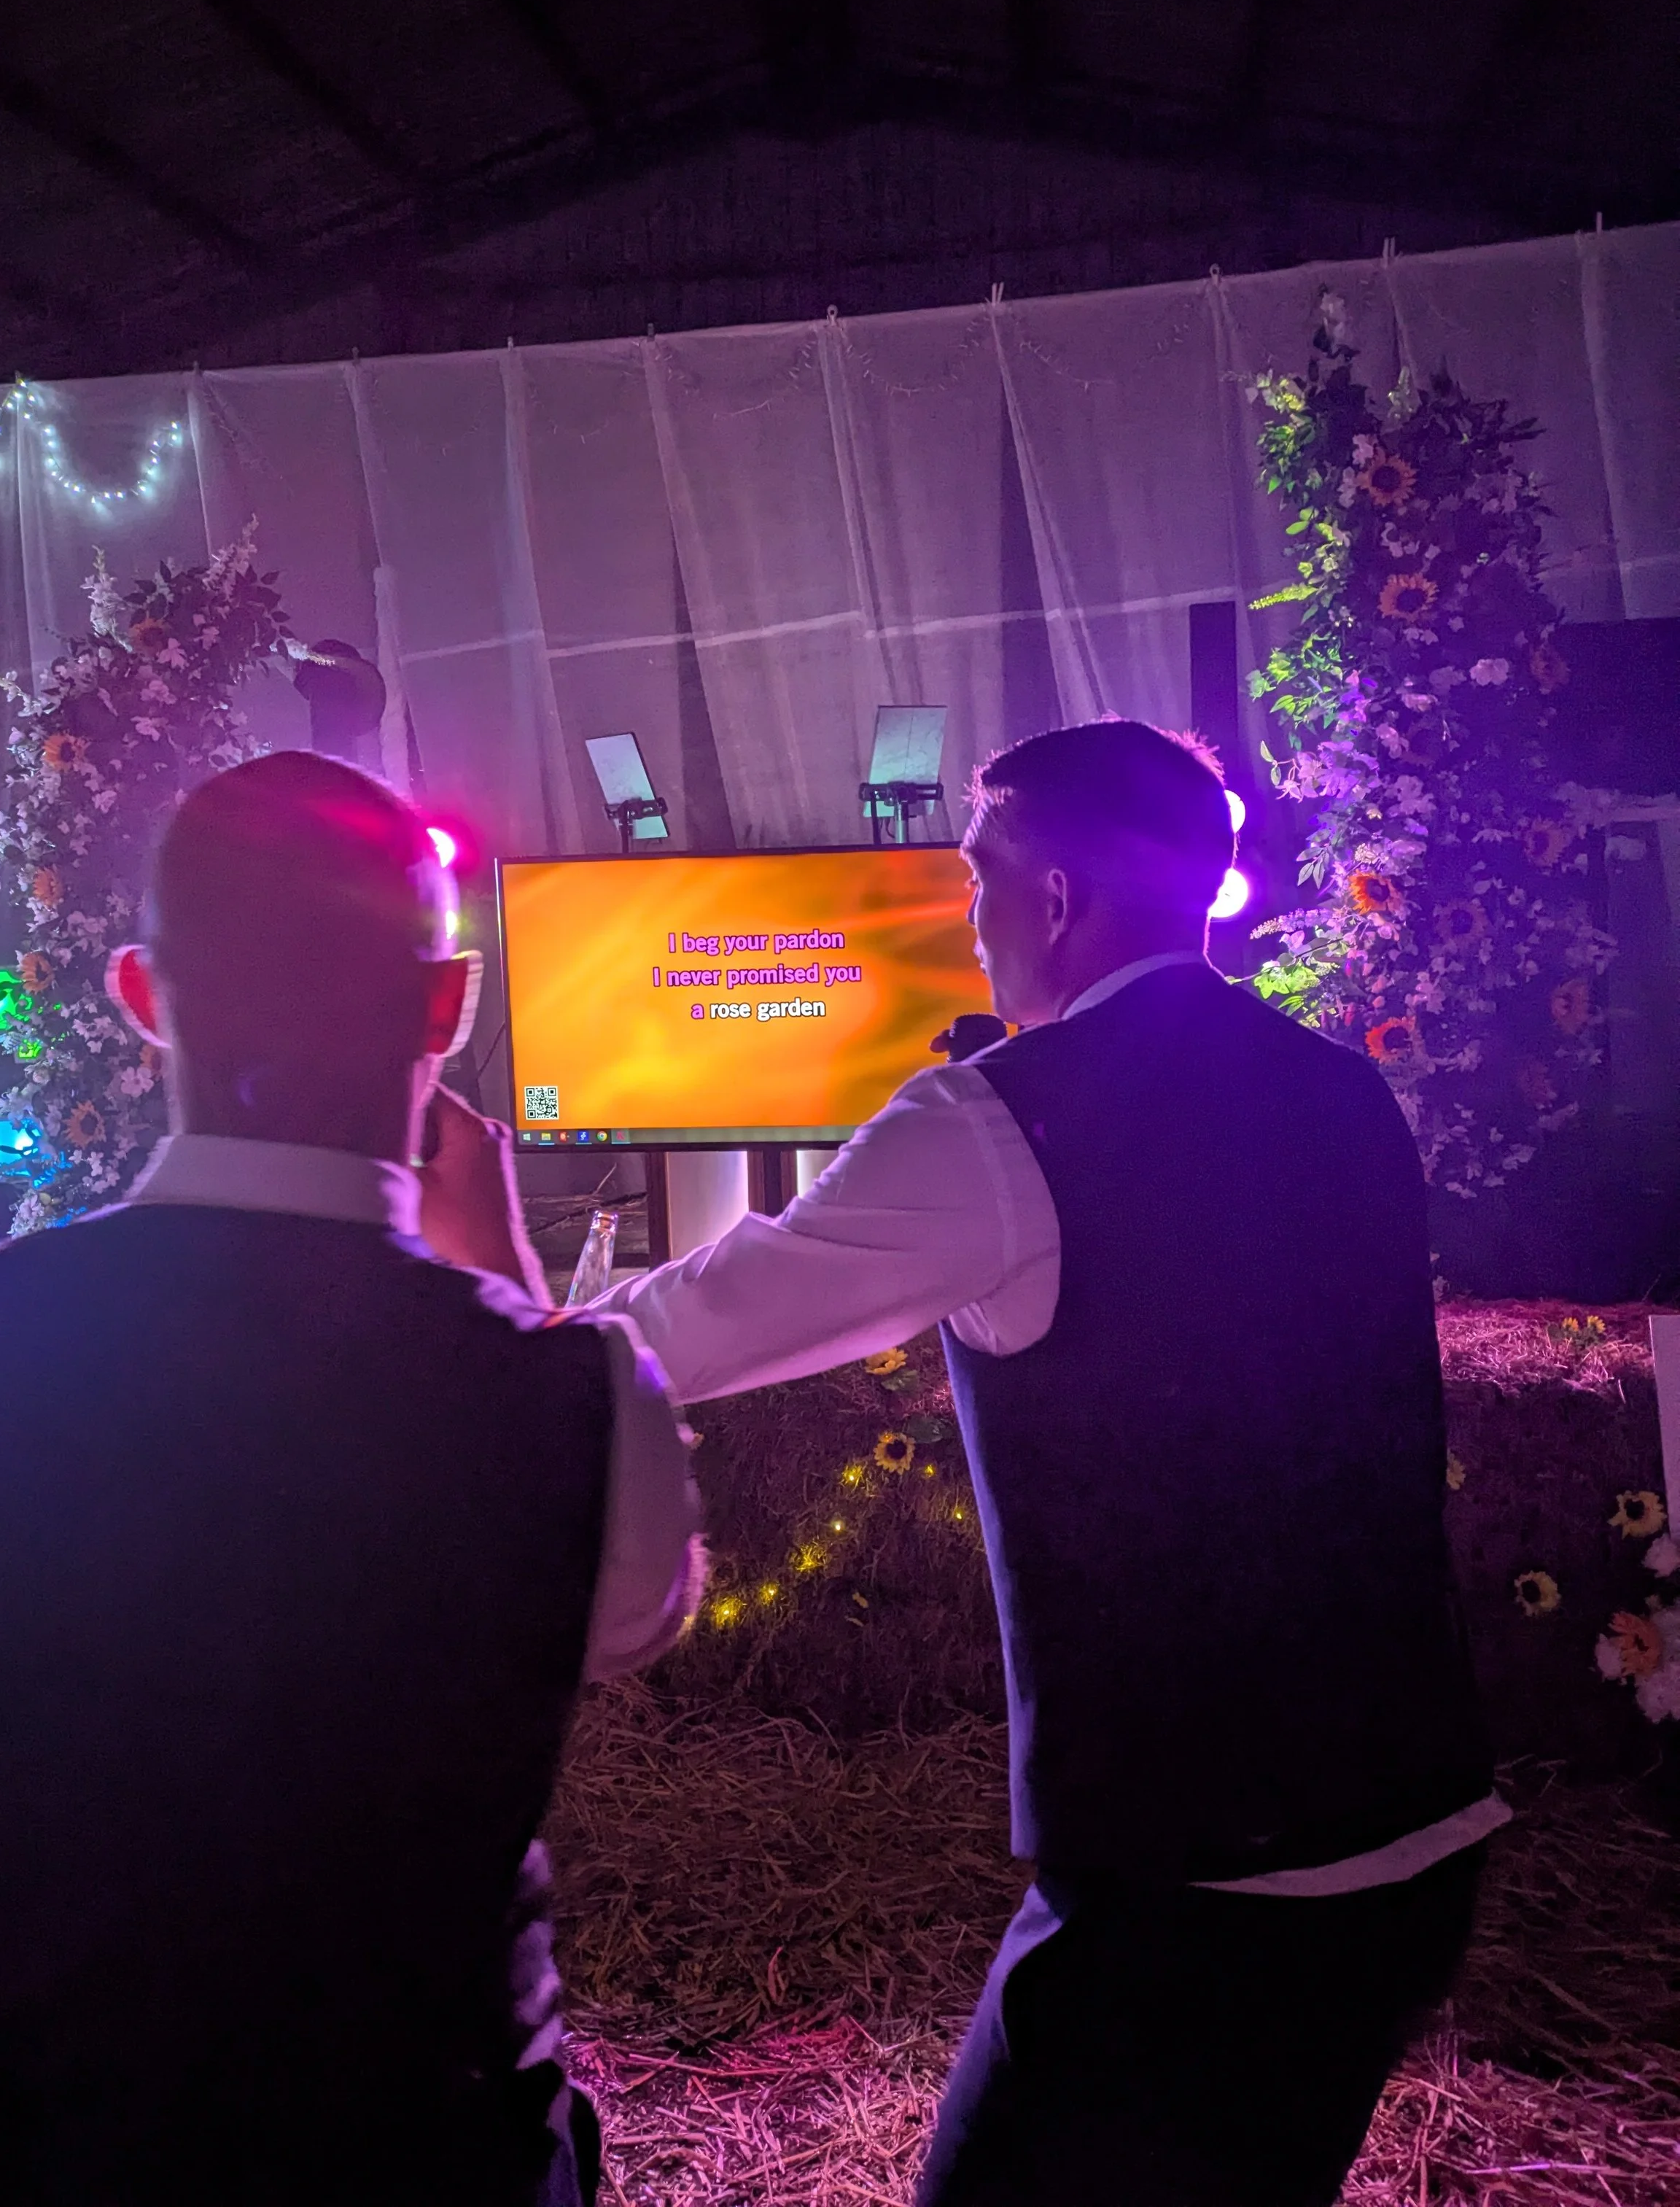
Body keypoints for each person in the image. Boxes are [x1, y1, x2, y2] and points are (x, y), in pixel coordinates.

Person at [426, 718, 1499, 2207]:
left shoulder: (1001, 1124)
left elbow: (687, 1326)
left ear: (1053, 899)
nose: (966, 917)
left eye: (979, 876)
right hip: (1419, 1830)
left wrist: (478, 1290)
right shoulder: (1339, 1091)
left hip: (1200, 1879)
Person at [0, 751, 700, 2207]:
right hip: (442, 2158)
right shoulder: (577, 1398)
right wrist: (487, 1270)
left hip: (64, 2158)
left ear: (137, 993)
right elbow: (628, 1613)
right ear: (448, 1003)